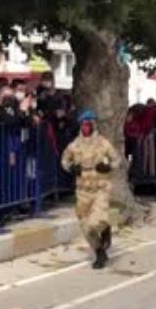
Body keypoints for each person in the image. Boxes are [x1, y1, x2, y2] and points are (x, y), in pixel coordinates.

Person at [60, 110, 120, 269]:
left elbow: (117, 160)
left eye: (89, 124)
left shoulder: (103, 143)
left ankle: (106, 228)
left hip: (100, 187)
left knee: (97, 221)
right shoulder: (74, 145)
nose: (86, 127)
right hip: (83, 189)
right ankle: (99, 252)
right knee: (86, 226)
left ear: (93, 125)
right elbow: (64, 160)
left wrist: (107, 167)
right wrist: (71, 168)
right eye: (84, 124)